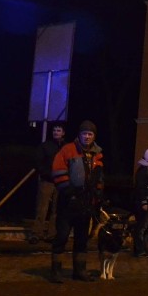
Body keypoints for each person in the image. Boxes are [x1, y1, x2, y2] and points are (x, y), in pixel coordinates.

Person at [48, 120, 104, 283]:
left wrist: (98, 195)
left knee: (81, 238)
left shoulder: (97, 154)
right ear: (79, 135)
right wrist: (68, 191)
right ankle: (56, 271)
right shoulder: (67, 150)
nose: (87, 137)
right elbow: (58, 170)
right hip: (68, 201)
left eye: (90, 134)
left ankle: (80, 270)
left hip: (86, 202)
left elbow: (99, 177)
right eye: (84, 133)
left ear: (94, 136)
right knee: (62, 236)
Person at [30, 122, 66, 244]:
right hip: (47, 181)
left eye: (59, 130)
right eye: (55, 130)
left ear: (63, 133)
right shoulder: (45, 146)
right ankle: (36, 233)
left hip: (61, 183)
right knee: (42, 208)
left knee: (57, 210)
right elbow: (38, 162)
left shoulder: (66, 148)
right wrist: (47, 173)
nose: (56, 132)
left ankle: (52, 234)